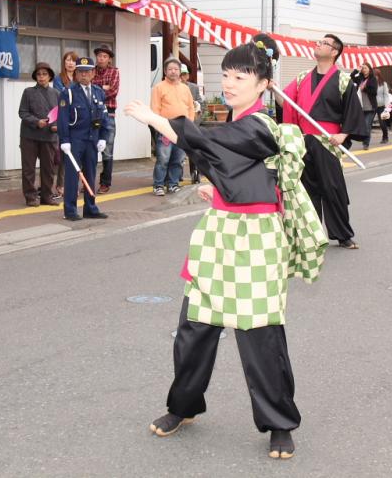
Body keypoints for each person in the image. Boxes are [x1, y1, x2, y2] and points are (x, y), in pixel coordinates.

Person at [124, 39, 327, 460]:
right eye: (227, 75)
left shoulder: (262, 127)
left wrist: (157, 119)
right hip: (220, 234)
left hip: (257, 240)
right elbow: (226, 164)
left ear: (264, 85)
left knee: (260, 336)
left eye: (242, 77)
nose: (230, 83)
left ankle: (279, 423)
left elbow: (210, 141)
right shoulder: (239, 126)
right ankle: (182, 407)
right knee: (195, 329)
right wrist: (213, 188)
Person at [280, 34, 366, 249]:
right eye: (318, 42)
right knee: (307, 190)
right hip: (304, 140)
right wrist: (270, 86)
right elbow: (286, 102)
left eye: (324, 43)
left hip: (328, 141)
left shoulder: (344, 80)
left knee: (333, 188)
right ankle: (313, 234)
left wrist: (343, 135)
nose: (318, 44)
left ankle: (343, 234)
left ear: (334, 51)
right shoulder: (301, 78)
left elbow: (352, 111)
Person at [57, 56, 110, 220]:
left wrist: (103, 137)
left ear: (93, 73)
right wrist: (64, 140)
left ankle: (90, 208)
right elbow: (63, 119)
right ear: (75, 74)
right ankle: (70, 210)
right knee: (73, 176)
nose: (84, 75)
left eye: (87, 72)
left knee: (91, 173)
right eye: (80, 72)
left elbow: (104, 117)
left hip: (92, 139)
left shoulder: (98, 92)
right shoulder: (69, 93)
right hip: (75, 140)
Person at [150, 57, 194, 196]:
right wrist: (159, 126)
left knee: (178, 159)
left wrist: (190, 124)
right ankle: (158, 185)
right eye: (170, 69)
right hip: (165, 127)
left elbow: (191, 107)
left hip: (182, 129)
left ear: (180, 71)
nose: (173, 72)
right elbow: (155, 108)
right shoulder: (159, 87)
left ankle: (173, 184)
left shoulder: (185, 88)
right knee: (163, 159)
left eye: (176, 69)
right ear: (165, 71)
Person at [19, 62, 60, 207]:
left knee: (48, 169)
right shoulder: (28, 92)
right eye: (39, 74)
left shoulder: (56, 93)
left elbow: (59, 114)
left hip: (49, 136)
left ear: (50, 76)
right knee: (29, 168)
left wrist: (55, 126)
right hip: (29, 135)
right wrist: (36, 122)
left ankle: (47, 196)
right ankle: (30, 197)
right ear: (35, 77)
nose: (41, 77)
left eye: (44, 74)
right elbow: (22, 112)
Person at [92, 45, 119, 194]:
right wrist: (103, 87)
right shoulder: (91, 71)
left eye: (104, 56)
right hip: (91, 114)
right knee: (90, 148)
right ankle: (89, 181)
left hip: (109, 114)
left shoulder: (114, 71)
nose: (101, 58)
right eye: (99, 55)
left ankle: (105, 182)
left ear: (109, 59)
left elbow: (113, 91)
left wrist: (97, 90)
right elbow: (88, 88)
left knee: (107, 150)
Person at [53, 52, 79, 198]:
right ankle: (61, 185)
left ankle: (73, 184)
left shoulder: (79, 78)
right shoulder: (58, 78)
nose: (70, 63)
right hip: (63, 118)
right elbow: (61, 95)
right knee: (63, 156)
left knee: (75, 155)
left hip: (76, 119)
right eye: (68, 60)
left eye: (73, 61)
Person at [350, 62, 377, 150]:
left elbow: (374, 92)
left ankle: (366, 143)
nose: (364, 70)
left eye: (366, 68)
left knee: (367, 125)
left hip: (370, 106)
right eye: (363, 68)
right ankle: (363, 139)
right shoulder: (360, 78)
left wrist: (364, 88)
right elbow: (351, 77)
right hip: (361, 106)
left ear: (369, 69)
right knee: (362, 125)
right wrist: (356, 70)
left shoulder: (373, 79)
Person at [374, 68, 391, 144]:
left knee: (382, 123)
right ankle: (366, 140)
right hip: (372, 105)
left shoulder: (383, 84)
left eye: (376, 76)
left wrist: (387, 106)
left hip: (381, 106)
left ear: (379, 76)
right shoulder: (371, 83)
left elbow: (386, 95)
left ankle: (385, 137)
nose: (375, 77)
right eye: (374, 76)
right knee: (368, 123)